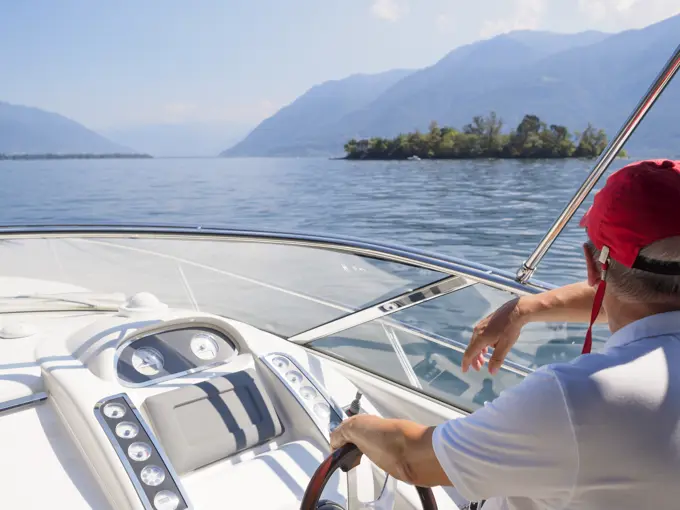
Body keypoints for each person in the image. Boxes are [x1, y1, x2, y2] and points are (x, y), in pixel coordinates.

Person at [330, 159, 680, 510]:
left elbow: (408, 459)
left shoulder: (576, 399)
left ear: (591, 265)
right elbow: (652, 296)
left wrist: (354, 427)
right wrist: (527, 308)